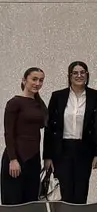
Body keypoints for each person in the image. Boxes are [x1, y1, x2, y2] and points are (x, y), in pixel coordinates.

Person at [43, 61, 97, 203]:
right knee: (64, 192)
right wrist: (47, 156)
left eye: (82, 72)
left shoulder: (96, 96)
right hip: (62, 150)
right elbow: (50, 128)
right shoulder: (58, 96)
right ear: (69, 76)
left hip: (84, 150)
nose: (79, 75)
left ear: (87, 75)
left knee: (81, 191)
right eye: (75, 73)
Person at [1, 68, 47, 204]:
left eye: (41, 80)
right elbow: (9, 133)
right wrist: (13, 160)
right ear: (24, 80)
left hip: (33, 160)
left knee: (31, 203)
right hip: (16, 160)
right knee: (13, 202)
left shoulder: (39, 104)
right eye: (34, 79)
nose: (37, 83)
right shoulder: (14, 103)